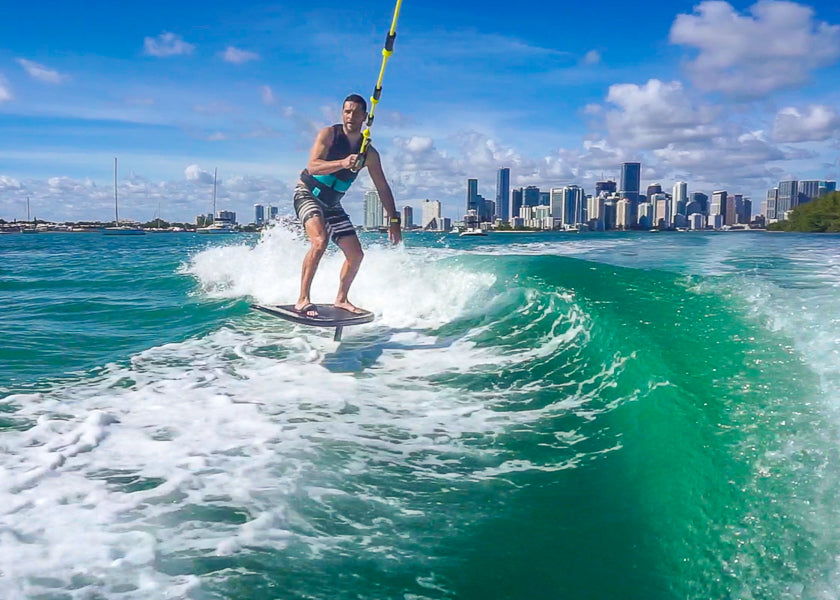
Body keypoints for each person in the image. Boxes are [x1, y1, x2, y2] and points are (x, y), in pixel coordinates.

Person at [292, 94, 401, 317]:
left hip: (332, 205)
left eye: (355, 112)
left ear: (365, 117)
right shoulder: (329, 134)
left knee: (356, 254)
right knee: (320, 241)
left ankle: (341, 299)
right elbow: (312, 167)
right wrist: (342, 162)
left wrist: (394, 219)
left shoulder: (368, 152)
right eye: (346, 111)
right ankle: (303, 299)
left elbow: (382, 186)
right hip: (307, 194)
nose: (350, 116)